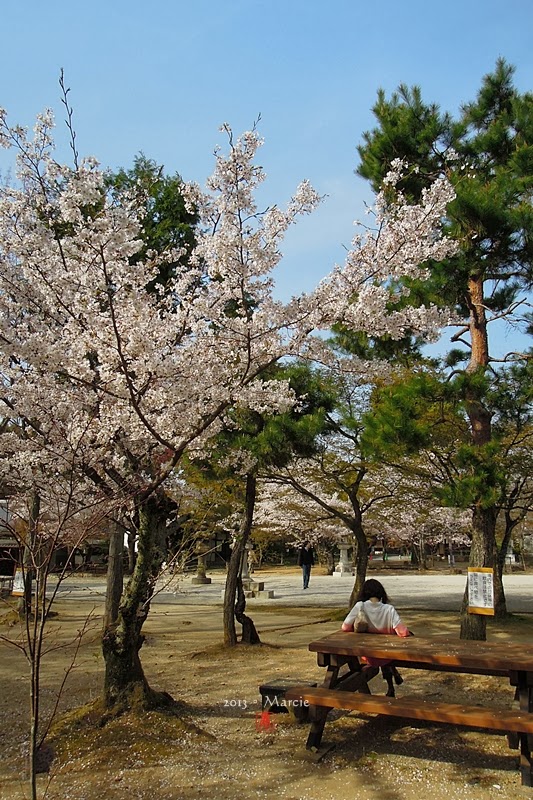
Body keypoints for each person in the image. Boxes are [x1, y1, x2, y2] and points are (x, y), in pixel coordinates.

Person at [342, 578, 411, 696]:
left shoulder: (360, 606)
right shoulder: (389, 609)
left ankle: (392, 680)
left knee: (377, 651)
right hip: (388, 655)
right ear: (381, 593)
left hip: (367, 655)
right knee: (385, 652)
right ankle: (392, 679)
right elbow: (403, 633)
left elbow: (344, 627)